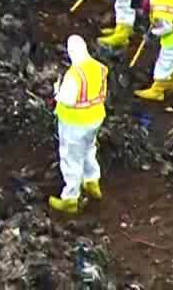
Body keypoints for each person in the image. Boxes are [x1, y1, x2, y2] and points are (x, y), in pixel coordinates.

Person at [48, 35, 108, 215]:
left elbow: (67, 99)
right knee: (89, 149)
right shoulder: (99, 67)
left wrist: (57, 91)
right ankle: (92, 181)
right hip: (95, 118)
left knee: (71, 158)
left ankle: (70, 199)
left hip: (75, 123)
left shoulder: (75, 74)